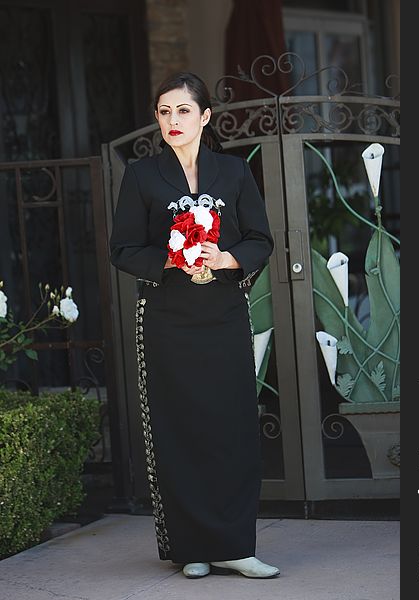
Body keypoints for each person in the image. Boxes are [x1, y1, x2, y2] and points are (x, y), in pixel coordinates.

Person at [109, 72, 279, 579]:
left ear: (205, 117)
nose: (173, 121)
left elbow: (260, 239)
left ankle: (234, 545)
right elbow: (122, 249)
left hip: (223, 314)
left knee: (230, 427)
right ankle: (192, 548)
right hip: (166, 317)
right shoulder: (141, 176)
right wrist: (170, 258)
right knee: (178, 429)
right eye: (164, 112)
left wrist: (227, 258)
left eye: (183, 111)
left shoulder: (233, 172)